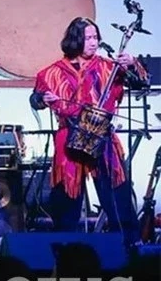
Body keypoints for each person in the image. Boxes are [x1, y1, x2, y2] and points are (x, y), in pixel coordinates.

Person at [31, 16, 148, 247]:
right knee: (66, 199)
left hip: (101, 135)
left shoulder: (108, 67)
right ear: (75, 40)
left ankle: (129, 246)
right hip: (69, 136)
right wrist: (43, 98)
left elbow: (140, 83)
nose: (94, 42)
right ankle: (65, 249)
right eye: (88, 38)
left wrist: (132, 64)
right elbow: (35, 99)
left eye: (96, 37)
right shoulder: (52, 72)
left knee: (116, 195)